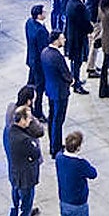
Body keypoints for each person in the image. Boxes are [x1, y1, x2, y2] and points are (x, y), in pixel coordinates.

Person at [55, 130, 98, 216]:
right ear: (78, 147)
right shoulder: (80, 163)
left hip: (64, 200)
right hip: (79, 203)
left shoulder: (59, 158)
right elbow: (93, 174)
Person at [7, 106, 42, 216]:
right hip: (26, 179)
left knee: (14, 208)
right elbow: (35, 153)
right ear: (21, 120)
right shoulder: (25, 139)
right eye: (28, 118)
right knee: (24, 212)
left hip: (15, 176)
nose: (31, 121)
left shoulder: (10, 132)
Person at [41, 29, 72, 157]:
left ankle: (53, 144)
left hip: (50, 89)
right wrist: (72, 80)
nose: (64, 40)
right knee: (58, 120)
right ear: (56, 40)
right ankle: (56, 147)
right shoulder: (57, 56)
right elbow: (65, 73)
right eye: (62, 38)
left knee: (52, 118)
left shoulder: (44, 53)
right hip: (60, 92)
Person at [64, 0, 92, 95]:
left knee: (75, 61)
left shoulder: (72, 2)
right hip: (77, 38)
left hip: (73, 35)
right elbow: (83, 22)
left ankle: (75, 79)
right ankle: (76, 84)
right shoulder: (78, 6)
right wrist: (90, 29)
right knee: (77, 61)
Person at [24, 4, 49, 120]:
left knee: (30, 84)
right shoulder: (41, 31)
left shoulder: (29, 23)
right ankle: (37, 112)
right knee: (39, 88)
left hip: (32, 59)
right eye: (44, 12)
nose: (45, 13)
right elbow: (43, 49)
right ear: (39, 16)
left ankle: (25, 104)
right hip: (39, 63)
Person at [84, 0, 104, 77]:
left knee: (92, 39)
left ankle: (91, 63)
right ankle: (91, 67)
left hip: (90, 11)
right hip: (95, 14)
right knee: (95, 41)